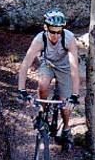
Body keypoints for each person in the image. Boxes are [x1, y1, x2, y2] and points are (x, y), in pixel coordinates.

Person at [18, 9, 80, 149]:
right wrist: (22, 89)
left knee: (66, 106)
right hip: (48, 64)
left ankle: (66, 128)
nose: (56, 35)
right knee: (43, 84)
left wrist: (75, 95)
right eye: (53, 31)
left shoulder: (69, 38)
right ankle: (42, 111)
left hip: (65, 68)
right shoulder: (40, 39)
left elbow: (75, 70)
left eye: (59, 32)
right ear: (46, 28)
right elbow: (25, 64)